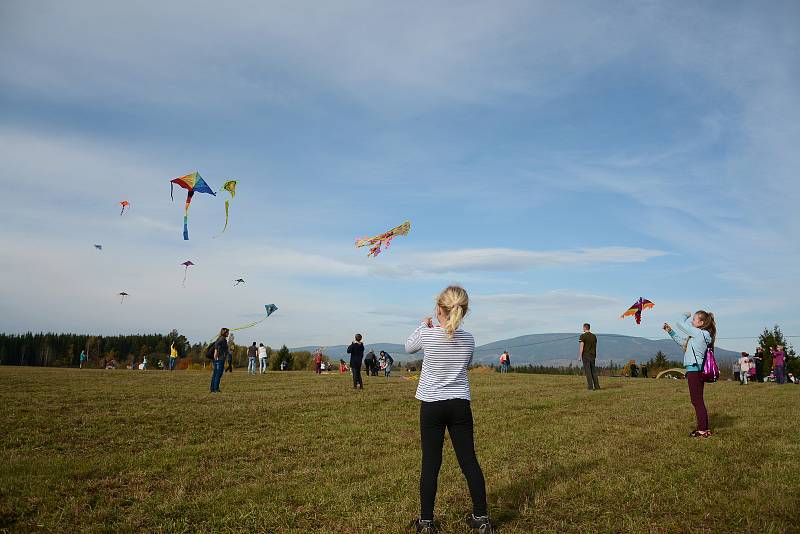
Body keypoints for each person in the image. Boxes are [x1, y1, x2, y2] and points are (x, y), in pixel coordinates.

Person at [405, 286, 492, 534]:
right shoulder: (469, 338)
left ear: (439, 308)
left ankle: (426, 522)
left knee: (431, 463)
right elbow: (465, 364)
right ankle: (481, 518)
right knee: (469, 461)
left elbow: (409, 346)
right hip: (459, 404)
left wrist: (423, 325)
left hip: (432, 404)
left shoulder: (428, 335)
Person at [663, 310, 717, 438]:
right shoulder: (699, 335)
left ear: (701, 323)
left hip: (694, 370)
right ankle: (704, 428)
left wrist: (685, 315)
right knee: (698, 400)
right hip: (696, 369)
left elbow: (680, 323)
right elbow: (683, 342)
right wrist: (670, 331)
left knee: (697, 401)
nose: (692, 321)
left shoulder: (699, 333)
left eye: (694, 319)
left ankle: (703, 430)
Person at [578, 324, 600, 390]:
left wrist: (580, 356)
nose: (583, 329)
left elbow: (581, 346)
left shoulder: (582, 336)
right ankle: (597, 386)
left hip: (586, 355)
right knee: (593, 371)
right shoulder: (594, 336)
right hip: (593, 355)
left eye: (583, 327)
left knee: (588, 371)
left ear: (585, 328)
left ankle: (590, 387)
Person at [210, 328, 229, 393]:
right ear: (224, 333)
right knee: (218, 373)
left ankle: (213, 388)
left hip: (220, 358)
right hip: (219, 359)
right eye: (227, 332)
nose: (228, 334)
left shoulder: (223, 339)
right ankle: (215, 389)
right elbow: (216, 347)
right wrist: (215, 356)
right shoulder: (221, 339)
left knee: (216, 373)